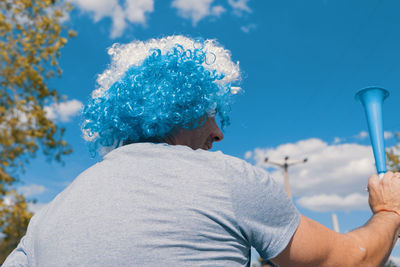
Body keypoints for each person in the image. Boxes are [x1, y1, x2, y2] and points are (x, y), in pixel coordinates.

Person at [4, 35, 400, 266]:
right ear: (179, 110)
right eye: (210, 112)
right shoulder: (227, 178)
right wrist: (388, 210)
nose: (218, 132)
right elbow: (353, 259)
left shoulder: (47, 217)